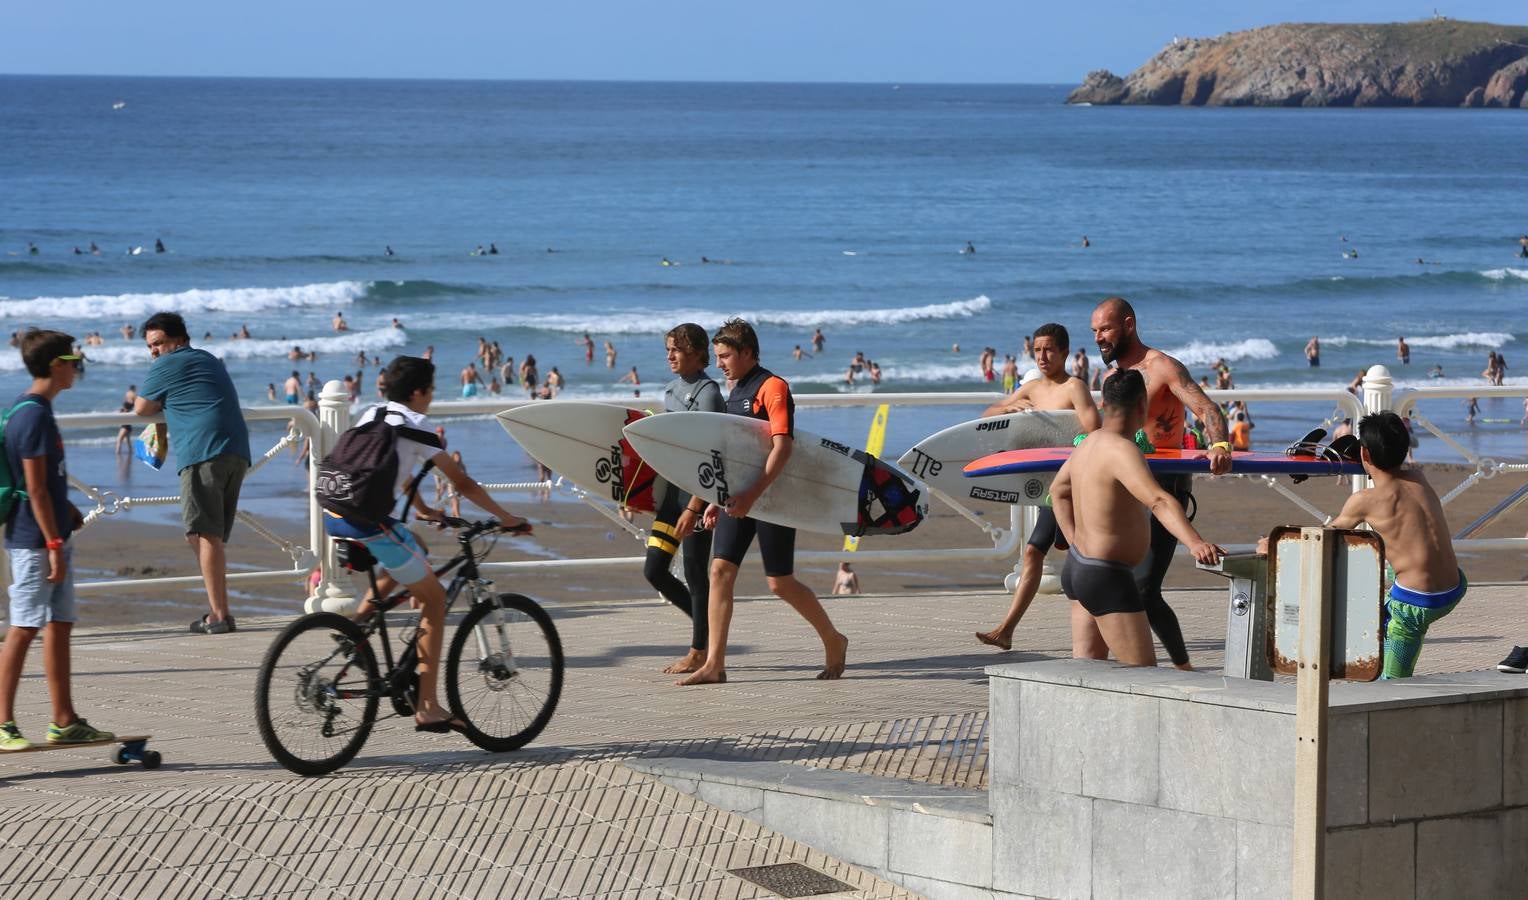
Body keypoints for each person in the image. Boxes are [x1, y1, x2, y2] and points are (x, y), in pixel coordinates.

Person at [321, 356, 530, 730]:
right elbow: (462, 483)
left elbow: (382, 467)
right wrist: (507, 518)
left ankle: (357, 628)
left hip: (333, 511)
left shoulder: (372, 414)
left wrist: (423, 508)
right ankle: (428, 705)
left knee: (414, 543)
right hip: (365, 522)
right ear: (417, 393)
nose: (432, 397)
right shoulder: (417, 427)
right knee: (433, 597)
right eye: (431, 390)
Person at [678, 318, 848, 686]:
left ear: (748, 353)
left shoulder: (773, 387)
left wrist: (751, 495)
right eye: (718, 356)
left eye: (725, 355)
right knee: (720, 571)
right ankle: (715, 664)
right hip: (738, 500)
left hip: (773, 498)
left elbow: (782, 447)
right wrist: (714, 498)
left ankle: (834, 639)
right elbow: (733, 454)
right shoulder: (733, 392)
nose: (719, 362)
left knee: (780, 583)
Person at [1090, 296, 1231, 670]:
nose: (1099, 338)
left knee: (1145, 587)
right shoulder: (1110, 377)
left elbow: (1208, 410)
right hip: (1123, 483)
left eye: (1105, 329)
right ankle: (1101, 662)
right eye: (1095, 332)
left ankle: (1182, 668)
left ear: (1129, 324)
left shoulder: (1162, 367)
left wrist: (1219, 444)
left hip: (1165, 483)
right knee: (1103, 576)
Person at [1051, 370, 1222, 666]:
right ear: (1143, 406)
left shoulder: (1088, 444)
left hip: (1079, 567)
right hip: (1107, 576)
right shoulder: (1123, 450)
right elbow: (1158, 499)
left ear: (1103, 404)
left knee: (1088, 676)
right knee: (1144, 680)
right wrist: (1194, 542)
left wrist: (1073, 539)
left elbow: (1057, 491)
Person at [0, 330, 116, 750]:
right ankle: (3, 723)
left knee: (60, 624)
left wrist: (66, 513)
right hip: (34, 542)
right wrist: (52, 544)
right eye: (73, 360)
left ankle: (64, 719)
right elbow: (34, 489)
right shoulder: (30, 415)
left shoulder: (39, 412)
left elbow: (49, 480)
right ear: (55, 365)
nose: (77, 367)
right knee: (23, 627)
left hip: (51, 534)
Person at [976, 323, 1102, 651]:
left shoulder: (1074, 387)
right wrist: (1009, 409)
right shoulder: (1031, 389)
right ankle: (1006, 630)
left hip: (1075, 486)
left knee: (1078, 555)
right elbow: (989, 414)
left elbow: (1094, 430)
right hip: (1048, 487)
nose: (1043, 356)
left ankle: (1108, 626)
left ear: (1063, 353)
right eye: (1037, 351)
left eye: (1049, 350)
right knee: (1035, 552)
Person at [133, 313, 251, 635]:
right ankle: (221, 609)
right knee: (201, 534)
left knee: (205, 535)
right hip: (236, 450)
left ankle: (218, 616)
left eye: (158, 344)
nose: (154, 352)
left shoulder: (167, 365)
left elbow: (141, 409)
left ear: (180, 340)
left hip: (203, 452)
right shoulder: (208, 359)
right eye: (150, 347)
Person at [1321, 413, 1463, 679]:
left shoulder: (1364, 501)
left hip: (1417, 604)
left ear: (1364, 454)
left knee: (1392, 685)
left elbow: (1326, 536)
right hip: (1455, 585)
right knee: (1393, 563)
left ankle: (1391, 674)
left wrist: (1272, 543)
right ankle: (1388, 612)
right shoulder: (1418, 477)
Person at [646, 323, 725, 675]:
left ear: (696, 353)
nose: (669, 356)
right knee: (655, 570)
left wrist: (695, 505)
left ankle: (699, 650)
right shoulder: (669, 391)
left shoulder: (709, 395)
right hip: (671, 495)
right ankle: (708, 632)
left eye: (675, 350)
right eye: (668, 349)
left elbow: (712, 456)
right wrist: (644, 493)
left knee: (695, 572)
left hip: (698, 494)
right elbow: (664, 450)